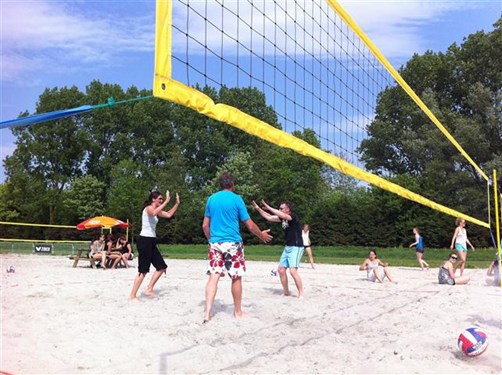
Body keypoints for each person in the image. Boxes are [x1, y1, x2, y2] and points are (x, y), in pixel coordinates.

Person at [202, 172, 272, 323]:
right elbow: (250, 225)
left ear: (220, 184)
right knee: (236, 277)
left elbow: (205, 225)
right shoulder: (237, 199)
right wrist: (262, 236)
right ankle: (238, 312)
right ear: (232, 184)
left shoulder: (211, 199)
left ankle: (207, 312)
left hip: (215, 243)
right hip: (233, 243)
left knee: (213, 277)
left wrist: (211, 240)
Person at [129, 189, 180, 300]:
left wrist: (177, 204)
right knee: (143, 270)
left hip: (151, 241)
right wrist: (167, 201)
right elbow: (153, 213)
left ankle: (149, 288)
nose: (161, 201)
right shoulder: (148, 208)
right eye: (160, 199)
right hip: (144, 241)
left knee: (161, 267)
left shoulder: (156, 209)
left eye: (162, 199)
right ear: (153, 199)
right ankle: (132, 295)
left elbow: (169, 214)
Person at [252, 199, 305, 297]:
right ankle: (286, 292)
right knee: (281, 270)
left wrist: (268, 207)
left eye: (281, 208)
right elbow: (269, 217)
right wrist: (258, 208)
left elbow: (284, 216)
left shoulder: (293, 216)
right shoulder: (283, 218)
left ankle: (301, 293)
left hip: (296, 247)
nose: (279, 209)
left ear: (288, 209)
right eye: (279, 208)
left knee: (293, 271)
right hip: (288, 247)